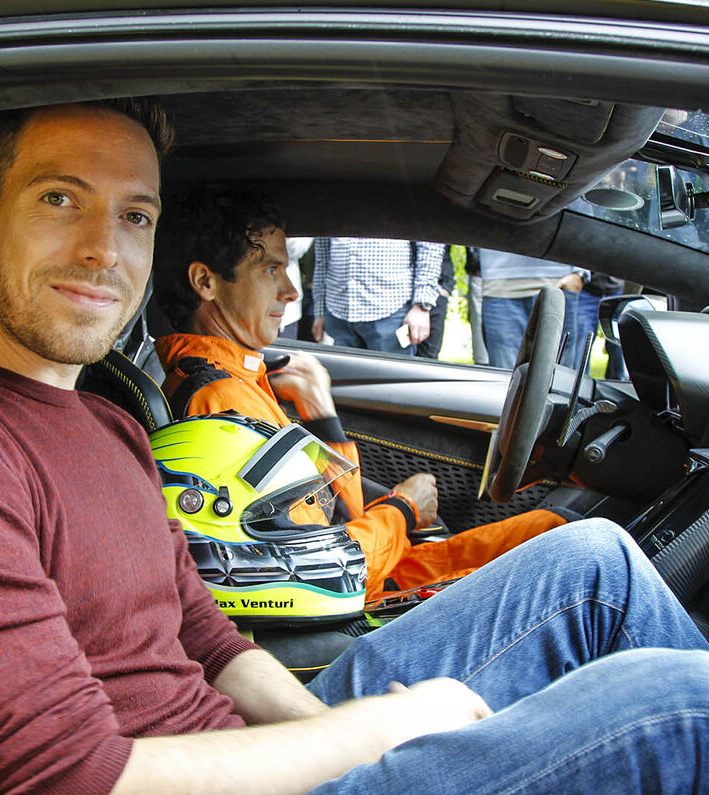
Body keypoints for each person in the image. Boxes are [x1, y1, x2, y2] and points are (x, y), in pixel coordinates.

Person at [0, 99, 709, 795]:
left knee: (590, 566)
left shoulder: (99, 417)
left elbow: (210, 640)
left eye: (133, 215)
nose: (103, 248)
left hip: (247, 745)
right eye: (60, 200)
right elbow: (71, 776)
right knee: (692, 711)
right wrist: (374, 733)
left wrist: (318, 722)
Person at [151, 186, 570, 602]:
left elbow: (332, 509)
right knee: (570, 555)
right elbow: (319, 569)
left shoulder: (238, 378)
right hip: (365, 601)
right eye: (270, 271)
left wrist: (321, 413)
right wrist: (403, 509)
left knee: (556, 530)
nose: (291, 292)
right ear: (206, 281)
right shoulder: (220, 404)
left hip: (377, 564)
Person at [310, 237, 445, 354]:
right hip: (337, 314)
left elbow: (430, 247)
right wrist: (320, 312)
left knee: (391, 381)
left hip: (391, 313)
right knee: (342, 381)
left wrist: (421, 306)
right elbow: (322, 257)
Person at [477, 248, 587, 370]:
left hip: (559, 282)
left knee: (560, 380)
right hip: (499, 283)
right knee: (506, 379)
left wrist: (580, 273)